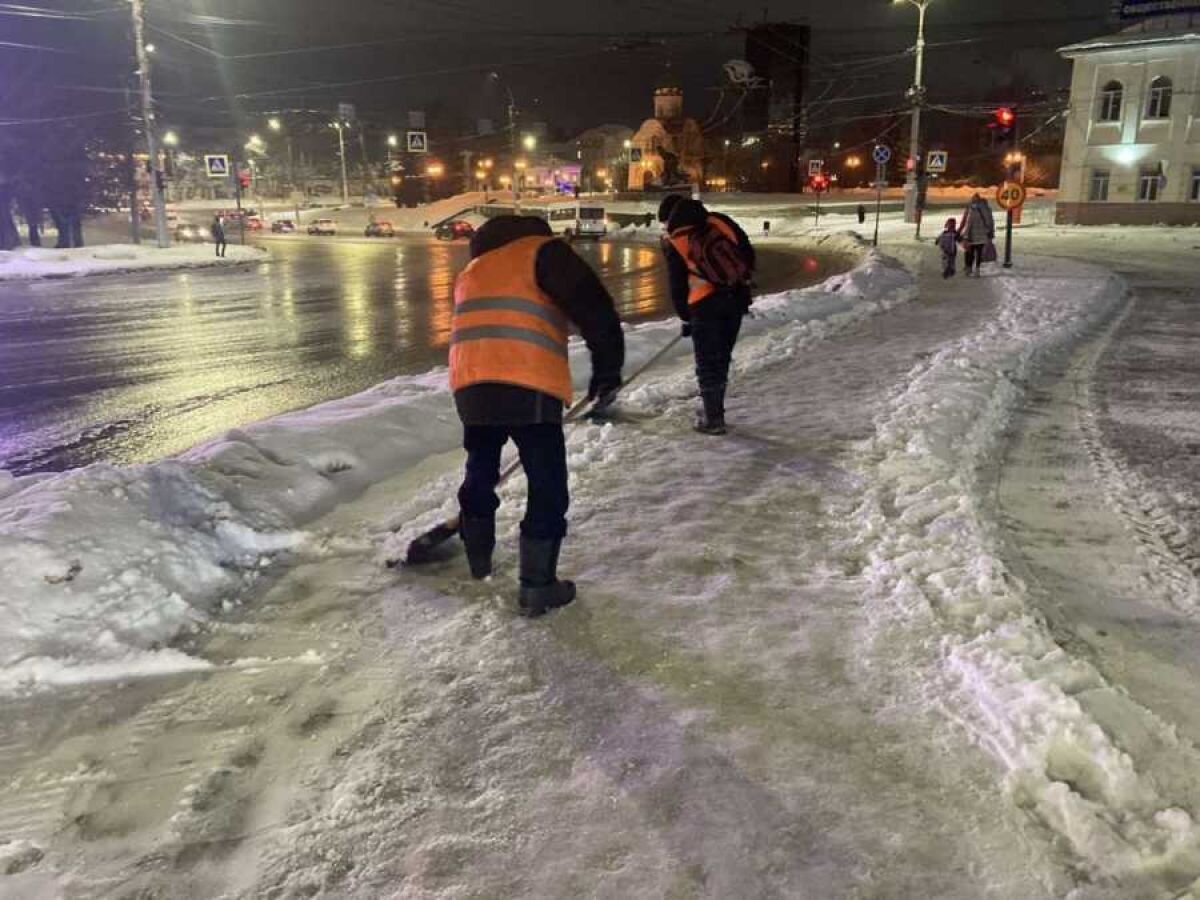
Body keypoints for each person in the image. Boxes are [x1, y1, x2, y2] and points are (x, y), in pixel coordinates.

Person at [450, 215, 624, 617]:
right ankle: (537, 586)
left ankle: (479, 562)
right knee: (546, 482)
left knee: (481, 466)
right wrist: (607, 370)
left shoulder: (472, 270)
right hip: (527, 380)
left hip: (471, 385)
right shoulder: (541, 251)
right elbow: (595, 309)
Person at [657, 194, 755, 435]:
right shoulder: (720, 222)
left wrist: (685, 317)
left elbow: (678, 287)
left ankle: (714, 418)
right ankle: (715, 412)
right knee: (721, 357)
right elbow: (748, 254)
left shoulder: (677, 240)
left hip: (704, 307)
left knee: (707, 363)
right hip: (735, 301)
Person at [957, 192, 995, 277]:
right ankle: (977, 270)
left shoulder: (971, 209)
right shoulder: (987, 209)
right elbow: (990, 222)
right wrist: (991, 233)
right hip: (983, 235)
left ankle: (969, 268)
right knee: (979, 252)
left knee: (969, 252)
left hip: (972, 236)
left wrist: (963, 233)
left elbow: (967, 223)